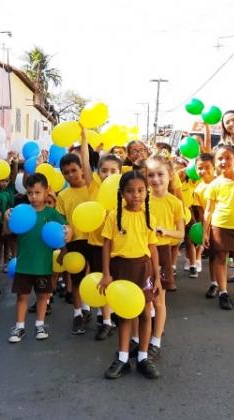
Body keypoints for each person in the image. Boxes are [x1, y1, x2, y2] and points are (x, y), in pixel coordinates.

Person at [99, 171, 162, 380]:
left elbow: (152, 248)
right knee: (125, 315)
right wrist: (106, 273)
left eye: (140, 190)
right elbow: (106, 245)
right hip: (121, 268)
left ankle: (144, 357)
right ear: (121, 193)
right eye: (130, 191)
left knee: (145, 313)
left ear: (147, 191)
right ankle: (124, 358)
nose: (136, 195)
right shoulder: (113, 216)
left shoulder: (149, 217)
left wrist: (157, 277)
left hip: (143, 268)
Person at [4, 173, 71, 343]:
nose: (33, 197)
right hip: (24, 265)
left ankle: (40, 324)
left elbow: (65, 229)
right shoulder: (21, 212)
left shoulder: (51, 213)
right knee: (22, 297)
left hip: (43, 266)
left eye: (37, 192)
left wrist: (68, 233)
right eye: (30, 193)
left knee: (43, 296)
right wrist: (6, 218)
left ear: (47, 191)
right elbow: (8, 231)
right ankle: (19, 327)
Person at [80, 131, 122, 340]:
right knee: (103, 281)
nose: (108, 174)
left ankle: (112, 313)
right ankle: (106, 320)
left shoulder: (124, 189)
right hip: (96, 243)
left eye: (113, 170)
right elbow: (85, 162)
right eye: (104, 170)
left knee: (116, 280)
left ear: (120, 172)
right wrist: (84, 138)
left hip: (119, 246)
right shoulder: (94, 183)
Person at [202, 146, 234, 309]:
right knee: (220, 258)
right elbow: (208, 210)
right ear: (215, 162)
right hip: (220, 225)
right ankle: (223, 292)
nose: (224, 162)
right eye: (220, 159)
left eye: (228, 157)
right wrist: (205, 232)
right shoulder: (214, 184)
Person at [145, 156, 185, 360]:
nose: (155, 179)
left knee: (159, 300)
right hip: (142, 253)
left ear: (170, 175)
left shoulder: (175, 203)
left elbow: (181, 234)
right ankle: (139, 338)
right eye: (150, 175)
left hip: (162, 253)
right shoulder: (142, 198)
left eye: (160, 174)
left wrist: (165, 231)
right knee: (144, 299)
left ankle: (156, 341)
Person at [56, 152, 99, 335]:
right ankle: (78, 313)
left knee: (96, 277)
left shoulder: (92, 188)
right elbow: (61, 223)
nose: (71, 175)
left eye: (74, 170)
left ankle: (99, 314)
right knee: (76, 280)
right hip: (74, 242)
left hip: (94, 240)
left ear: (82, 169)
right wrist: (64, 248)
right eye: (66, 172)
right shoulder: (63, 195)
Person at [192, 153, 216, 275]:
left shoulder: (220, 182)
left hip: (223, 223)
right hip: (209, 224)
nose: (203, 170)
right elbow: (201, 212)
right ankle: (215, 283)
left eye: (207, 167)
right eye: (200, 168)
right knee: (213, 255)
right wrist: (204, 231)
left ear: (214, 167)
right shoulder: (197, 189)